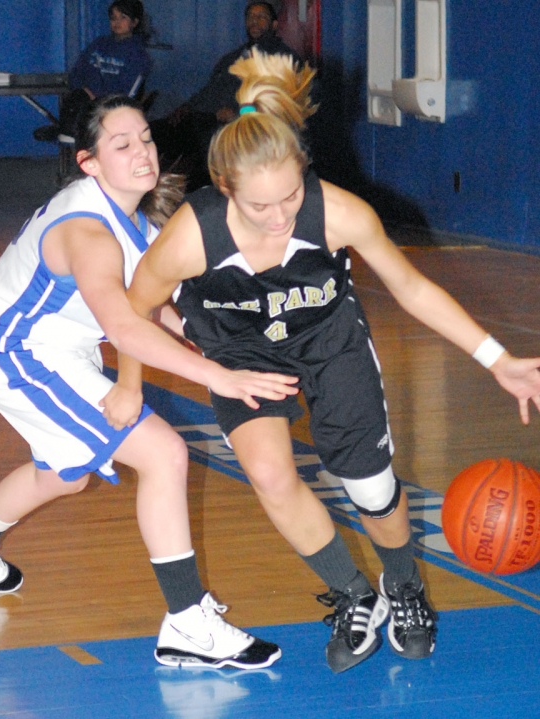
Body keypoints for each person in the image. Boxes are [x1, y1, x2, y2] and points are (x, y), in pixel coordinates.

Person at [124, 50, 540, 674]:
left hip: (328, 340)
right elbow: (133, 308)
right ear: (226, 189)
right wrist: (133, 386)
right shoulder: (190, 234)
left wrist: (496, 358)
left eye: (290, 195)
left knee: (370, 488)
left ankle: (403, 586)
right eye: (259, 206)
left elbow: (410, 287)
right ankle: (353, 594)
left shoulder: (339, 212)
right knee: (269, 474)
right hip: (239, 354)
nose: (279, 215)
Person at [0, 93, 300, 670]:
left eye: (145, 137)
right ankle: (187, 622)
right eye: (122, 145)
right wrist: (218, 375)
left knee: (65, 473)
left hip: (55, 346)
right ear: (90, 163)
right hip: (17, 350)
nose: (142, 151)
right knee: (165, 454)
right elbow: (125, 325)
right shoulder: (88, 231)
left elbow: (152, 303)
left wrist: (215, 339)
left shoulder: (137, 218)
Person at [151, 1, 302, 190]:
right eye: (250, 17)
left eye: (261, 17)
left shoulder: (285, 59)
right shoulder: (232, 58)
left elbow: (283, 106)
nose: (254, 21)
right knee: (154, 133)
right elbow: (209, 90)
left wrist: (239, 116)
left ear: (274, 25)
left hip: (248, 131)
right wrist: (186, 107)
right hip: (208, 121)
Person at [35, 0, 151, 144]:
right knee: (76, 98)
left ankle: (65, 132)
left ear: (134, 22)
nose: (117, 22)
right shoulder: (99, 44)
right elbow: (77, 72)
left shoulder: (139, 55)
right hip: (86, 97)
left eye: (123, 17)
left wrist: (96, 95)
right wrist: (84, 89)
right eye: (113, 18)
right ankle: (67, 132)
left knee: (82, 107)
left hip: (112, 104)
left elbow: (127, 92)